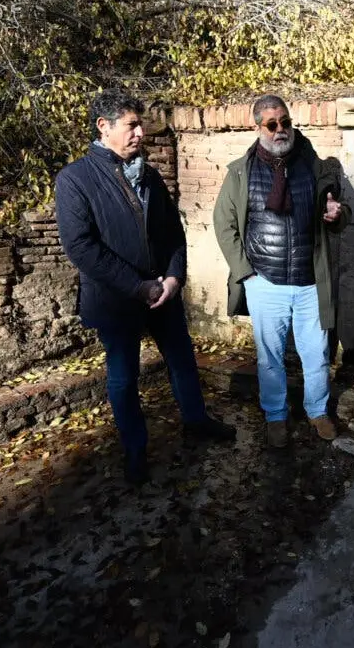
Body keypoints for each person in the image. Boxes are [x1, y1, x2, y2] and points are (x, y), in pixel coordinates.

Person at [56, 92, 235, 484]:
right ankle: (135, 450)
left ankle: (196, 420)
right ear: (103, 127)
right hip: (117, 299)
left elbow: (173, 233)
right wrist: (139, 288)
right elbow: (81, 247)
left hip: (163, 295)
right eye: (131, 125)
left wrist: (172, 278)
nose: (140, 132)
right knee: (123, 378)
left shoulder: (148, 174)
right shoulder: (75, 179)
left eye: (141, 124)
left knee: (183, 362)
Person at [213, 94, 351, 448]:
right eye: (272, 125)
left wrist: (337, 214)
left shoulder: (314, 165)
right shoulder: (241, 172)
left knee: (316, 355)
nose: (280, 130)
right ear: (257, 127)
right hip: (266, 281)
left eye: (285, 122)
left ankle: (317, 412)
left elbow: (337, 213)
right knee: (270, 358)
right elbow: (224, 223)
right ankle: (275, 416)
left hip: (309, 281)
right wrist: (246, 273)